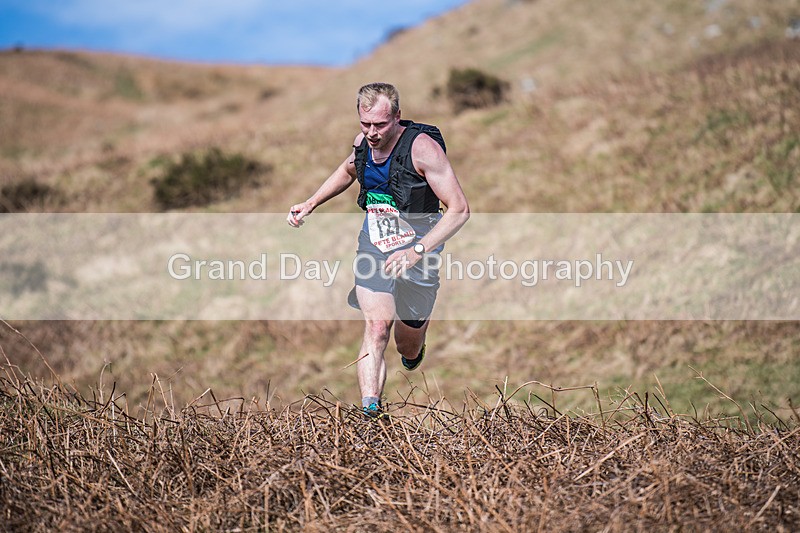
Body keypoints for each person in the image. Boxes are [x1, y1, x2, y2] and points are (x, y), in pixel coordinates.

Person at [287, 82, 469, 418]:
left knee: (406, 344)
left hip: (419, 253)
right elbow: (347, 171)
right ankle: (371, 410)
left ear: (397, 117)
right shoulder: (362, 145)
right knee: (377, 327)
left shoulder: (422, 149)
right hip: (376, 247)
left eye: (380, 125)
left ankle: (415, 348)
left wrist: (416, 251)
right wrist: (311, 202)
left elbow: (459, 210)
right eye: (365, 124)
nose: (372, 133)